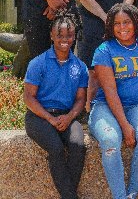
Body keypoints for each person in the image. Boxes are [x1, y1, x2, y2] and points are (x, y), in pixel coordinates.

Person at [88, 3, 138, 199]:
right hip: (106, 107)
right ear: (111, 26)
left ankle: (132, 193)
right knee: (110, 140)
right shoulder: (105, 50)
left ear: (136, 22)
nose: (122, 27)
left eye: (126, 22)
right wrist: (126, 126)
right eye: (117, 23)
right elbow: (110, 92)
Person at [24, 11, 88, 199]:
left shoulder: (80, 66)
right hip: (39, 117)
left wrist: (68, 118)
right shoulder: (38, 63)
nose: (64, 39)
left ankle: (67, 195)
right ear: (52, 35)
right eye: (59, 35)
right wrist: (50, 119)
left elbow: (80, 100)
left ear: (74, 36)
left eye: (69, 35)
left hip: (67, 116)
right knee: (56, 148)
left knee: (78, 145)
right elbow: (29, 98)